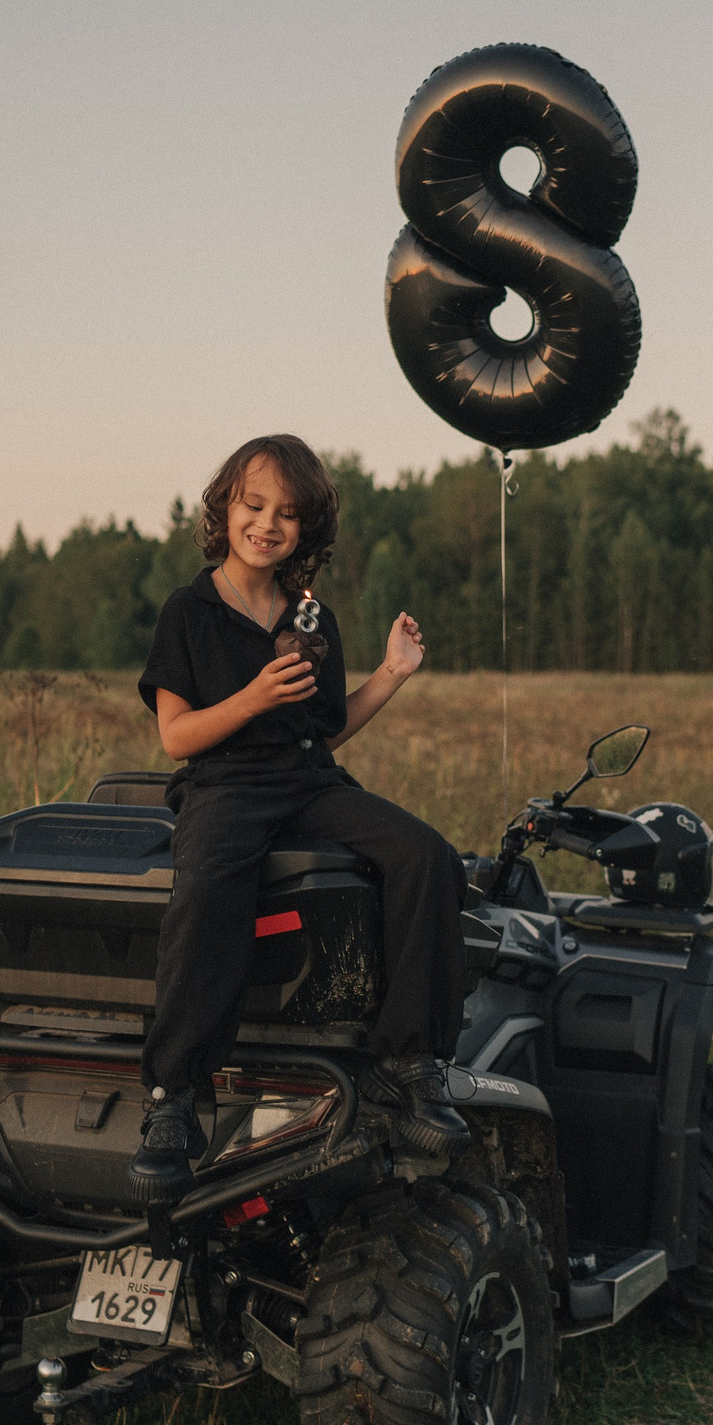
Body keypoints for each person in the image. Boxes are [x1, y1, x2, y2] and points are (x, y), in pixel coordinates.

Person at [126, 435, 471, 1200]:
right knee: (210, 884)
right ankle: (172, 1100)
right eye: (255, 505)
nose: (268, 524)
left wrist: (391, 674)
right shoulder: (189, 611)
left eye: (288, 513)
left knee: (426, 856)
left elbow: (325, 727)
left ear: (305, 529)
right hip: (226, 784)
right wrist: (252, 696)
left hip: (308, 778)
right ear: (225, 508)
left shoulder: (313, 617)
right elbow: (177, 737)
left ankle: (412, 1064)